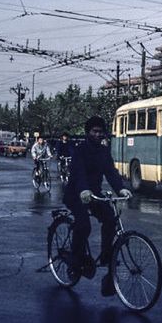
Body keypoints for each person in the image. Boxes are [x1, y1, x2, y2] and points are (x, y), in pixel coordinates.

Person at [63, 116, 132, 297]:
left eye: (100, 131)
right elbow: (78, 173)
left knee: (110, 219)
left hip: (94, 194)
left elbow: (111, 172)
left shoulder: (104, 151)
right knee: (83, 225)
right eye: (94, 131)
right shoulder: (80, 150)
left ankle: (106, 255)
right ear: (87, 133)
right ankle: (75, 261)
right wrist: (83, 190)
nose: (97, 134)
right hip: (76, 193)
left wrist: (121, 189)